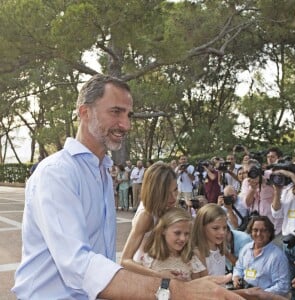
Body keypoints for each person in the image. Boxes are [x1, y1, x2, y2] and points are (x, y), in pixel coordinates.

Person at [11, 74, 246, 300]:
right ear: (84, 112)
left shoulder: (102, 171)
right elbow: (78, 265)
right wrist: (174, 291)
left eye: (128, 114)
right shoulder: (57, 173)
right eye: (115, 112)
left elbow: (101, 261)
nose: (126, 124)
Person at [121, 162, 178, 276]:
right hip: (144, 275)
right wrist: (158, 274)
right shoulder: (145, 216)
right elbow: (125, 260)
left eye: (175, 190)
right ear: (155, 191)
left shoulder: (164, 206)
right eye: (166, 193)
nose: (173, 197)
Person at [138, 207, 206, 280]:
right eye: (177, 233)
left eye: (187, 234)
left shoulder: (192, 259)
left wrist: (184, 283)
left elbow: (199, 287)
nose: (183, 238)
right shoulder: (149, 260)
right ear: (163, 230)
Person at [232, 216, 290, 298]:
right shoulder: (246, 249)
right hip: (244, 293)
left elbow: (283, 286)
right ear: (251, 232)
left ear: (269, 233)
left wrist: (260, 294)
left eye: (263, 230)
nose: (259, 234)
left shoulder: (278, 256)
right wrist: (236, 277)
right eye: (255, 230)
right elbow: (238, 267)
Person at [271, 159, 295, 300]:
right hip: (287, 240)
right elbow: (276, 213)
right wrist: (277, 190)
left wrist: (291, 174)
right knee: (291, 282)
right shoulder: (286, 190)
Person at [192, 203, 227, 276]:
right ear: (202, 227)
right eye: (215, 228)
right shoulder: (197, 255)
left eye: (224, 228)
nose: (222, 232)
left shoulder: (220, 250)